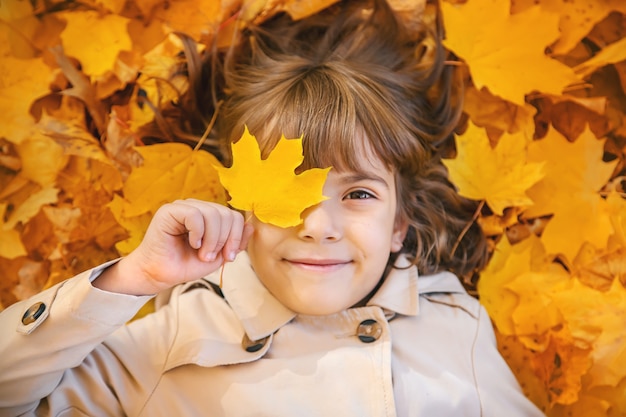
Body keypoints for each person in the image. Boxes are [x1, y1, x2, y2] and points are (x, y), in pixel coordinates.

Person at [0, 0, 545, 415]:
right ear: (240, 208)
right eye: (289, 193)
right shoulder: (178, 337)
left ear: (399, 225)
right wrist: (134, 278)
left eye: (357, 195)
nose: (318, 226)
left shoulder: (456, 323)